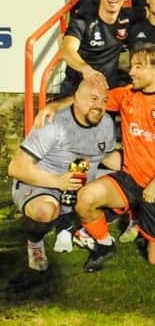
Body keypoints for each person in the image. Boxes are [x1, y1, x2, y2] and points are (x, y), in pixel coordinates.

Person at [59, 43, 155, 272]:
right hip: (130, 180)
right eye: (131, 65)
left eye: (138, 66)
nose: (131, 71)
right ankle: (104, 244)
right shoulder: (125, 95)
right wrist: (53, 108)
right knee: (85, 199)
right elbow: (89, 99)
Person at [9, 81, 115, 271]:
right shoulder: (53, 122)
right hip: (44, 182)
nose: (99, 106)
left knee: (126, 184)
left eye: (104, 100)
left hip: (80, 183)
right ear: (76, 99)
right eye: (93, 99)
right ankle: (35, 243)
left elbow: (108, 156)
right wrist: (58, 181)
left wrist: (142, 169)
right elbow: (16, 167)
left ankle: (81, 229)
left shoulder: (106, 122)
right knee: (44, 211)